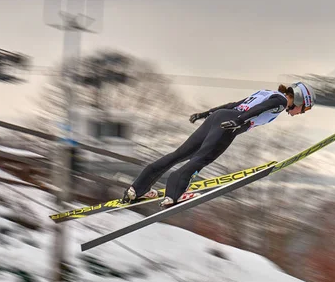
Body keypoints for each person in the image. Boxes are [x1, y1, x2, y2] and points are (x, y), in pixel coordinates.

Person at [122, 81, 316, 208]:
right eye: (304, 109)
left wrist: (207, 113)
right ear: (299, 99)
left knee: (179, 154)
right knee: (201, 158)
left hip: (219, 117)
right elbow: (260, 109)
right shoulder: (280, 102)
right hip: (230, 123)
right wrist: (240, 121)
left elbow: (234, 104)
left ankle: (137, 190)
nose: (301, 112)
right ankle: (174, 194)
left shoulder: (268, 92)